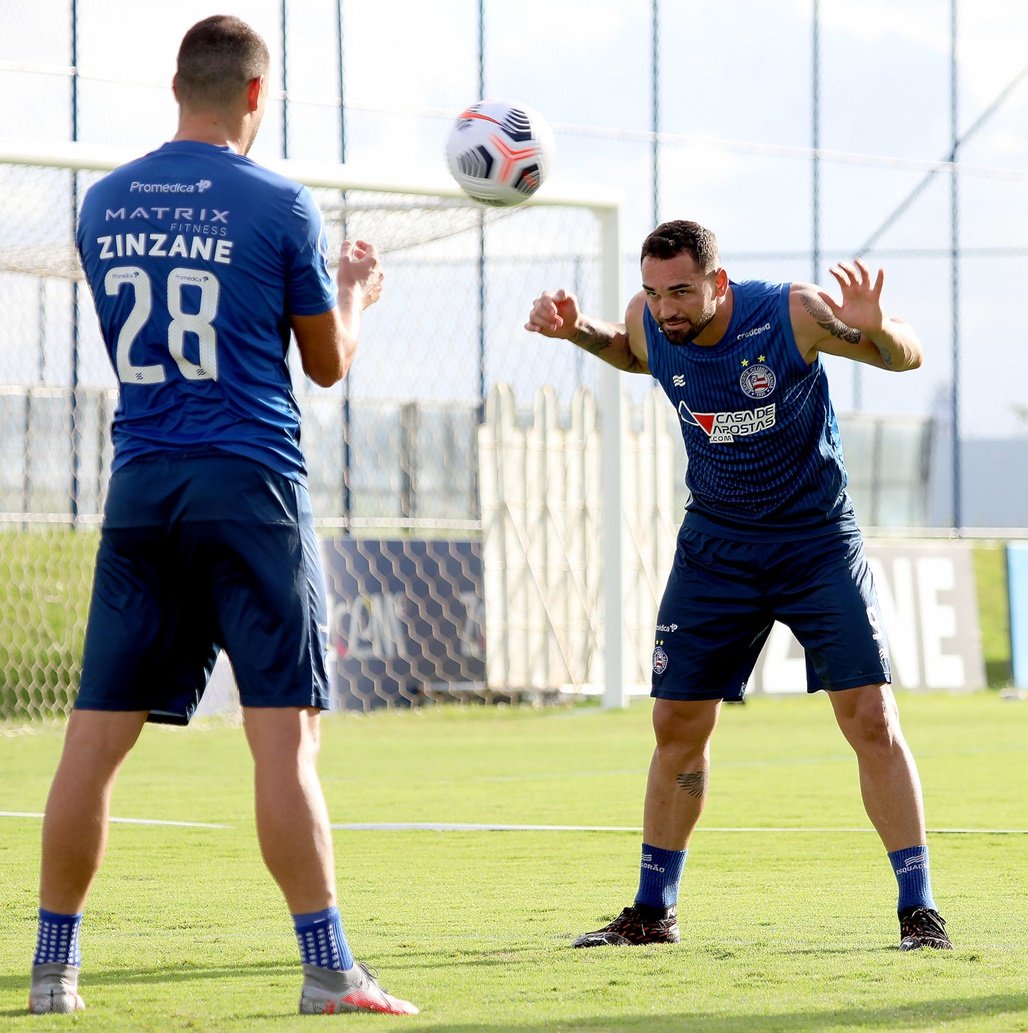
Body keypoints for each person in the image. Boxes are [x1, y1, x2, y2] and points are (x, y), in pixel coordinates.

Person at [28, 15, 418, 1017]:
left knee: (91, 743)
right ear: (257, 93)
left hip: (143, 486)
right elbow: (326, 364)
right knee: (282, 741)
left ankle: (52, 972)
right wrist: (356, 294)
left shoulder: (102, 202)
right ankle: (329, 970)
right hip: (250, 485)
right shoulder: (279, 203)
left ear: (174, 86)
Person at [524, 219, 951, 953]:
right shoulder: (649, 321)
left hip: (816, 542)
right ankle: (653, 912)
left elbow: (902, 359)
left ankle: (919, 910)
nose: (667, 308)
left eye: (682, 291)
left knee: (871, 718)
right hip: (716, 548)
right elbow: (632, 352)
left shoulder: (790, 313)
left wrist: (880, 328)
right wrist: (577, 331)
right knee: (676, 726)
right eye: (656, 293)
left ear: (717, 282)